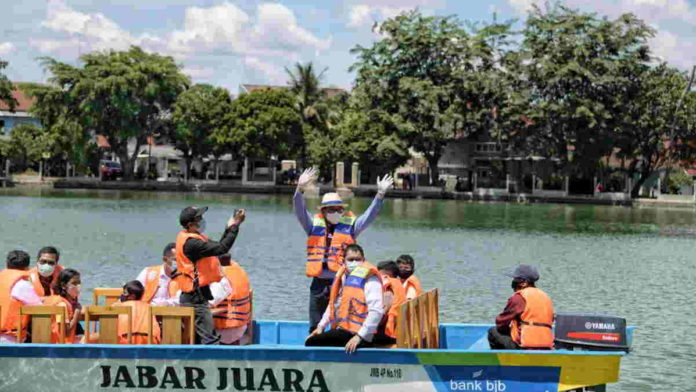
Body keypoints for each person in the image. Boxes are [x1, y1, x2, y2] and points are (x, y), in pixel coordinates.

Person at [295, 167, 393, 333]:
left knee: (340, 322)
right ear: (323, 211)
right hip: (318, 283)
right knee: (315, 323)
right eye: (331, 209)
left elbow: (370, 216)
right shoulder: (312, 226)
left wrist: (380, 195)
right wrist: (299, 189)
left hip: (341, 281)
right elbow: (299, 210)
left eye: (338, 209)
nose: (335, 212)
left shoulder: (351, 227)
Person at [175, 205, 245, 345]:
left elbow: (219, 246)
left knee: (201, 337)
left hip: (198, 295)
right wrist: (235, 226)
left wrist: (230, 226)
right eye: (199, 218)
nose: (202, 220)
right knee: (210, 339)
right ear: (190, 224)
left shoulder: (196, 238)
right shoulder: (192, 243)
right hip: (194, 298)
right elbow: (222, 248)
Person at [305, 244, 386, 353]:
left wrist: (359, 337)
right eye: (350, 259)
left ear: (364, 260)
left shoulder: (370, 278)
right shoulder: (343, 276)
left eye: (358, 260)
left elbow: (376, 311)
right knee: (312, 340)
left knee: (311, 343)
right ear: (343, 260)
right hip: (345, 330)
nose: (354, 263)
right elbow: (333, 305)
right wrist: (321, 326)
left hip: (364, 334)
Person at [488, 265, 555, 350]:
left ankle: (504, 361)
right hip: (546, 346)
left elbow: (501, 322)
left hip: (525, 347)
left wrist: (510, 330)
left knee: (493, 331)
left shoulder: (519, 297)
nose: (513, 282)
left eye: (516, 280)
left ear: (524, 283)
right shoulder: (545, 296)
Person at [0, 250, 43, 343]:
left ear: (7, 265)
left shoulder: (2, 278)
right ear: (27, 267)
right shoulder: (22, 285)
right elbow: (39, 307)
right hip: (9, 337)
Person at [210, 253, 251, 345]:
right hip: (241, 326)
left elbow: (209, 302)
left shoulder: (220, 277)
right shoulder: (238, 270)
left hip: (226, 329)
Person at [113, 280, 160, 344]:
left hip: (124, 341)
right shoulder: (149, 307)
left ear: (132, 296)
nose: (122, 295)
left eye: (124, 293)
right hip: (149, 342)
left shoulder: (118, 306)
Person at [43, 268, 83, 343]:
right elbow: (66, 333)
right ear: (64, 286)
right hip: (61, 345)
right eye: (74, 283)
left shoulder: (60, 300)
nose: (78, 286)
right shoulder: (61, 304)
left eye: (79, 283)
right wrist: (77, 313)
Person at [377, 260, 406, 343]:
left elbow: (381, 315)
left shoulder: (388, 289)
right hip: (399, 330)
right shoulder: (398, 284)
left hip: (388, 334)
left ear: (387, 274)